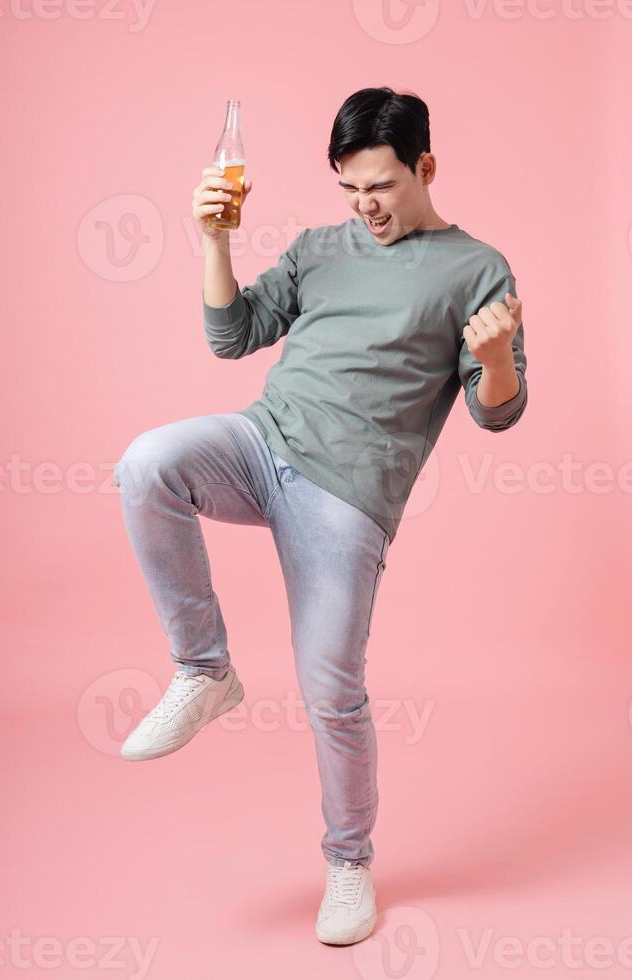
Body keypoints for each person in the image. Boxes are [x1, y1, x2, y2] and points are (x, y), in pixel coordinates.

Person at [113, 86, 528, 946]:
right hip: (261, 444)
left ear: (425, 168)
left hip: (350, 496)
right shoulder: (317, 249)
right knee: (147, 462)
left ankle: (348, 862)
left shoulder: (477, 269)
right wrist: (215, 240)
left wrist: (491, 359)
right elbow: (232, 337)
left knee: (330, 690)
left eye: (378, 187)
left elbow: (497, 413)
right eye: (348, 190)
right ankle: (204, 672)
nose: (364, 207)